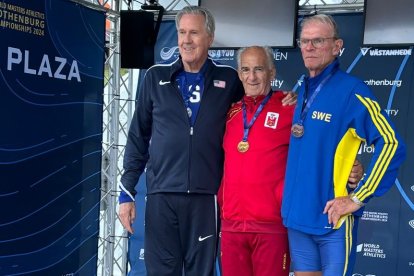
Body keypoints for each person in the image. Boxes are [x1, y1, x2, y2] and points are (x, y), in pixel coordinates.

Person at [118, 6, 296, 276]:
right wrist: (126, 192)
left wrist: (285, 100)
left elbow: (255, 99)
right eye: (182, 32)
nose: (186, 40)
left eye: (194, 33)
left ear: (210, 38)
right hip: (161, 196)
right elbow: (137, 137)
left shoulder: (228, 78)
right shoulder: (155, 77)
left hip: (205, 199)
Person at [281, 14, 406, 276]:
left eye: (318, 40)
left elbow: (391, 143)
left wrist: (358, 197)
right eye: (305, 41)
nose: (309, 47)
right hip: (298, 218)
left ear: (337, 46)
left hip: (333, 220)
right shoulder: (301, 89)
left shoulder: (352, 91)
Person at [218, 46, 294, 276]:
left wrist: (353, 164)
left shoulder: (290, 108)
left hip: (271, 226)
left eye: (259, 69)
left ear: (272, 72)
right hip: (231, 226)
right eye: (246, 70)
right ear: (239, 74)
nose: (252, 77)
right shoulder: (230, 113)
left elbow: (319, 147)